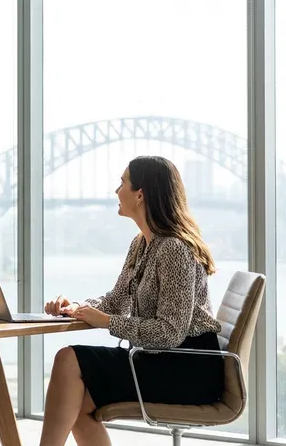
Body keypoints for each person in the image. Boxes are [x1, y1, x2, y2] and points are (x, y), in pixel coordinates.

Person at [38, 155, 225, 446]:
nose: (116, 191)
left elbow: (170, 332)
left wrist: (109, 323)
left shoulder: (174, 249)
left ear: (140, 194)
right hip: (156, 358)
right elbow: (116, 299)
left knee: (68, 359)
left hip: (186, 367)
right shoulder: (141, 243)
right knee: (77, 402)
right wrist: (76, 308)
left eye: (122, 182)